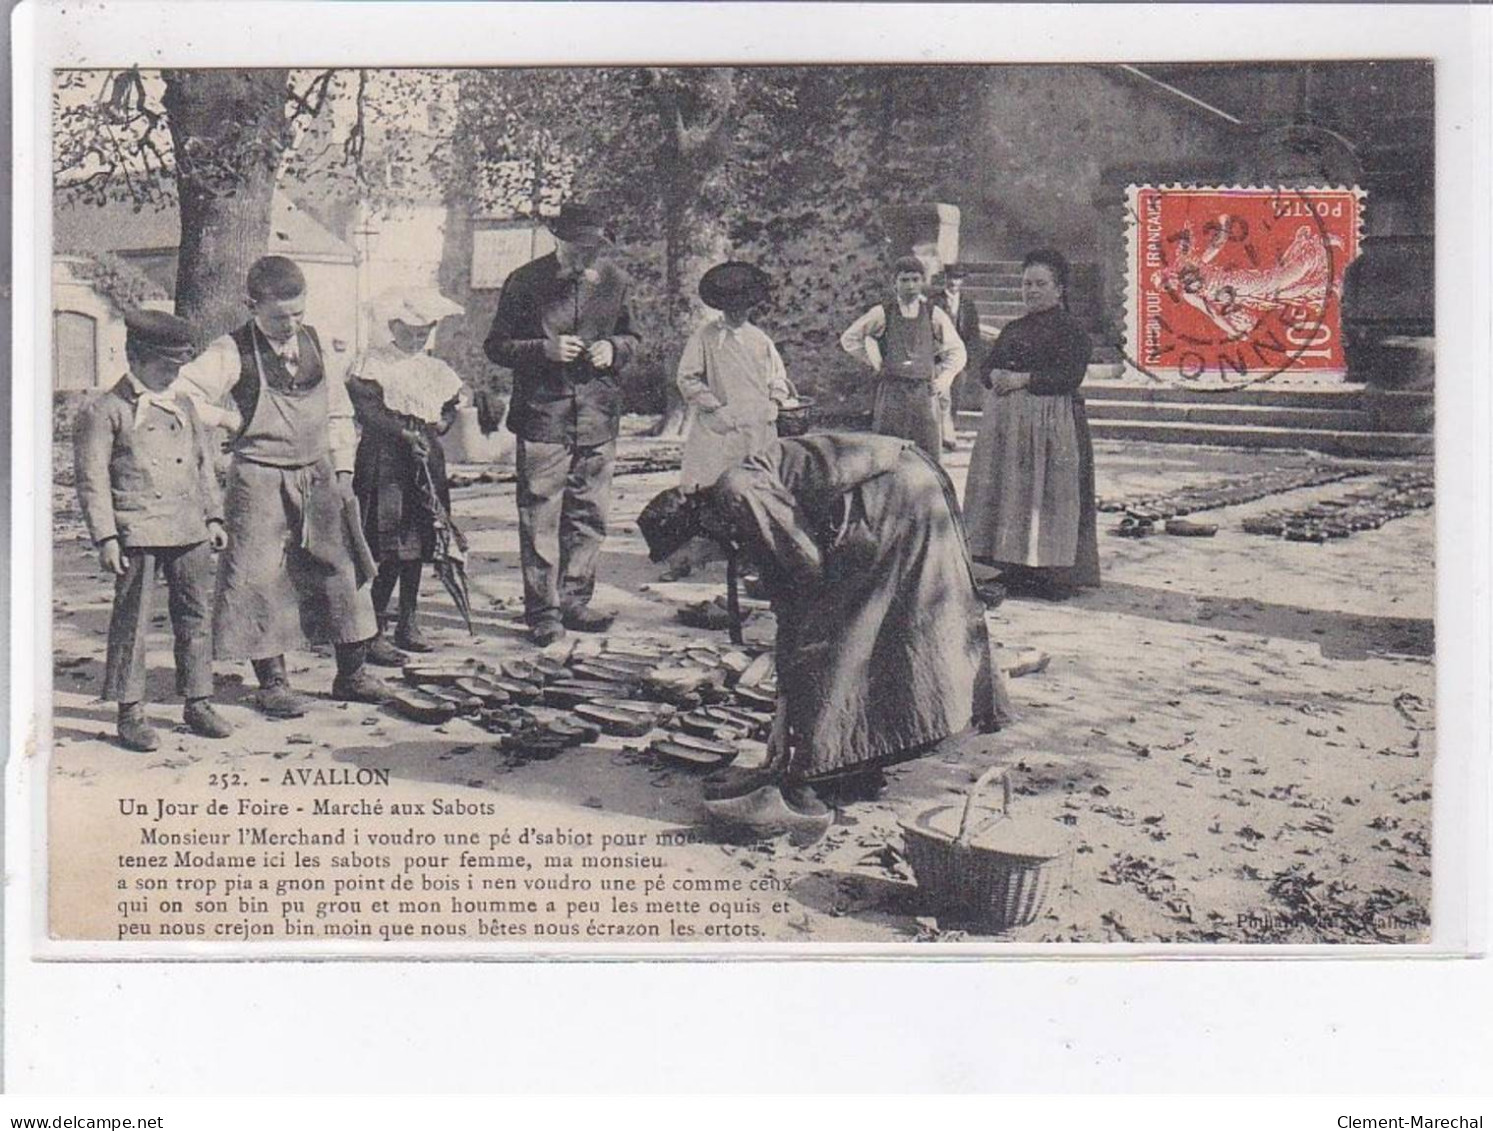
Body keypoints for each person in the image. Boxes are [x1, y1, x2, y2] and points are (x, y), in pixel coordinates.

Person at [638, 432, 1013, 836]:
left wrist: (796, 710)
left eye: (689, 560)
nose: (694, 567)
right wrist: (784, 706)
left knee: (843, 637)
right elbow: (786, 600)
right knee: (859, 637)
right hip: (906, 483)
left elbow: (808, 575)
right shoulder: (734, 504)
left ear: (696, 531)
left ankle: (813, 780)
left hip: (893, 496)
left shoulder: (738, 492)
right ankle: (852, 765)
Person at [177, 255, 386, 717]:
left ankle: (351, 673)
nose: (290, 325)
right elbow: (182, 395)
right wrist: (232, 418)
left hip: (318, 472)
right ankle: (272, 682)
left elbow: (337, 411)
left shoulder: (316, 343)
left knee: (341, 568)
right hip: (258, 478)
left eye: (298, 313)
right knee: (258, 577)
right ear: (251, 305)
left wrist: (345, 469)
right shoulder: (230, 351)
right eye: (277, 317)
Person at [72, 309, 233, 751]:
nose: (173, 375)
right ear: (136, 358)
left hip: (189, 528)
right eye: (165, 367)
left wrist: (213, 517)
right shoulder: (105, 410)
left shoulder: (182, 404)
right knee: (133, 622)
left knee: (195, 616)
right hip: (136, 530)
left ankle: (198, 699)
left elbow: (203, 466)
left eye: (178, 367)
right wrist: (106, 537)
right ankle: (131, 711)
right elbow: (92, 480)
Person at [483, 201, 641, 647]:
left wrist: (615, 349)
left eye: (594, 249)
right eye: (578, 248)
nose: (586, 257)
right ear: (560, 240)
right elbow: (496, 346)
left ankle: (575, 600)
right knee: (540, 517)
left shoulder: (616, 282)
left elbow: (634, 337)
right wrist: (543, 350)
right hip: (543, 416)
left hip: (597, 415)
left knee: (589, 514)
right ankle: (544, 611)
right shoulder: (524, 282)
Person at [963, 248, 1099, 597]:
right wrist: (992, 374)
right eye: (1026, 284)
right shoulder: (1013, 328)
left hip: (1051, 428)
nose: (1032, 291)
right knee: (1012, 495)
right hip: (1008, 430)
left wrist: (1022, 380)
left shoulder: (1071, 330)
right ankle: (1012, 567)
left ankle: (1049, 574)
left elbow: (1070, 375)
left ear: (1059, 289)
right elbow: (985, 366)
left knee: (1046, 496)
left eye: (1040, 284)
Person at [346, 288, 466, 665]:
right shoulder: (373, 365)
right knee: (387, 543)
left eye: (424, 331)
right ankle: (373, 627)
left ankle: (409, 621)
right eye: (411, 330)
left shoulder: (434, 370)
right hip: (385, 462)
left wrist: (440, 424)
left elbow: (449, 407)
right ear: (393, 326)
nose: (418, 338)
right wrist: (403, 433)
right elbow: (369, 412)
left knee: (420, 538)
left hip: (425, 460)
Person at [665, 261, 792, 580]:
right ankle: (699, 550)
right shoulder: (706, 337)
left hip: (757, 426)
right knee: (707, 486)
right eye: (732, 306)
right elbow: (688, 377)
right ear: (721, 307)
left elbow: (779, 378)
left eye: (744, 306)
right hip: (718, 426)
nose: (738, 312)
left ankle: (752, 553)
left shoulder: (760, 340)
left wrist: (775, 402)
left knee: (755, 487)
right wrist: (713, 407)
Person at [839, 256, 966, 461]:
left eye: (915, 280)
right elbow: (849, 339)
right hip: (892, 394)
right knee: (888, 456)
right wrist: (875, 361)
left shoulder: (934, 314)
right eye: (904, 280)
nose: (910, 286)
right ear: (894, 283)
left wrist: (944, 379)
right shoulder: (882, 313)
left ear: (922, 282)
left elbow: (957, 350)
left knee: (927, 458)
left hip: (924, 395)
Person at [931, 263, 984, 451]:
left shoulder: (968, 305)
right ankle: (940, 434)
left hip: (959, 358)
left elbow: (973, 335)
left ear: (962, 281)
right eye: (951, 278)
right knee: (940, 395)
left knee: (955, 392)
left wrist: (968, 361)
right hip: (938, 357)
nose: (954, 282)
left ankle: (949, 430)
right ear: (946, 279)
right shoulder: (934, 301)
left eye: (958, 278)